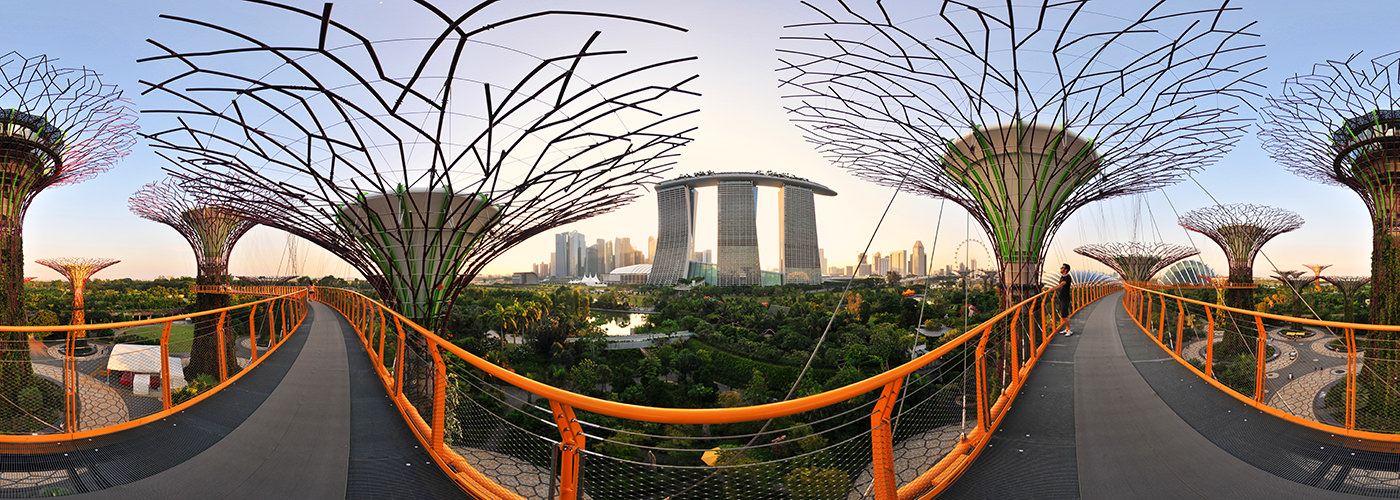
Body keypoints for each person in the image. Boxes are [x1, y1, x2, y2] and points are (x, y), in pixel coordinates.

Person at [1057, 263, 1074, 336]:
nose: (1061, 268)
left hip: (1065, 298)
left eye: (1062, 267)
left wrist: (1051, 289)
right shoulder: (1062, 276)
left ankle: (1069, 330)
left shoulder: (1067, 277)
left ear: (1065, 269)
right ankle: (1067, 329)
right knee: (1065, 314)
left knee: (1064, 315)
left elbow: (1060, 285)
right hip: (1062, 298)